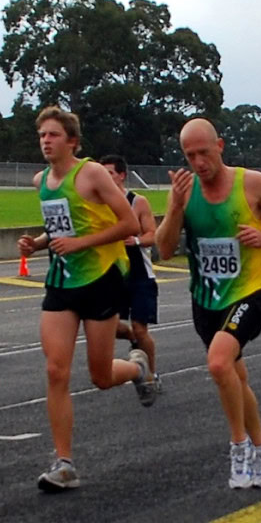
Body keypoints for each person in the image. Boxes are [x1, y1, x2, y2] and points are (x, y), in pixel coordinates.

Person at [154, 117, 261, 489]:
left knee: (219, 363)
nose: (198, 162)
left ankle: (239, 447)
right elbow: (165, 248)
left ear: (219, 146)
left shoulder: (251, 183)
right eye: (190, 155)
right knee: (233, 376)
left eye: (204, 152)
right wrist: (174, 207)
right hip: (206, 299)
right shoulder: (184, 191)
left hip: (247, 293)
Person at [17, 107, 155, 492]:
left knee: (100, 377)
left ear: (72, 141)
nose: (46, 141)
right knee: (55, 370)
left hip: (101, 279)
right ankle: (64, 463)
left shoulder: (91, 174)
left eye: (54, 135)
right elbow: (60, 225)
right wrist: (39, 241)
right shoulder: (41, 181)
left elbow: (128, 224)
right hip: (62, 282)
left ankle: (137, 368)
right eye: (42, 135)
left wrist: (79, 244)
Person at [102, 154, 162, 401]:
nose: (106, 178)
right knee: (113, 328)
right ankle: (134, 343)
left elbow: (153, 234)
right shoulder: (97, 203)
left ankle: (150, 376)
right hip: (110, 275)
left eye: (110, 174)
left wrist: (135, 240)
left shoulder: (137, 202)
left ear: (122, 176)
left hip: (139, 275)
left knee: (140, 327)